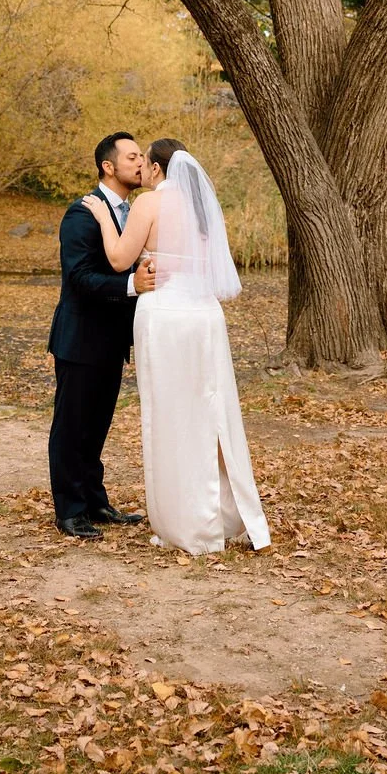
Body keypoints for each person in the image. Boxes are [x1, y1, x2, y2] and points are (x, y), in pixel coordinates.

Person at [82, 138, 270, 556]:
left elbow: (117, 259)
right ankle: (225, 516)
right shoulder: (203, 207)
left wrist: (101, 216)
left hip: (166, 316)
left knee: (171, 414)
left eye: (146, 162)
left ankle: (187, 523)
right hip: (205, 318)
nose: (143, 170)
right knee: (211, 410)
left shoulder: (150, 203)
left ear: (157, 168)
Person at [48, 131, 156, 540]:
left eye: (142, 156)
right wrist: (133, 286)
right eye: (132, 157)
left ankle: (95, 501)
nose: (140, 162)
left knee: (96, 428)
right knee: (71, 427)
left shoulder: (132, 212)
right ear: (108, 166)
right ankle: (70, 511)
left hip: (112, 343)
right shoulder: (80, 214)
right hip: (79, 340)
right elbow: (79, 277)